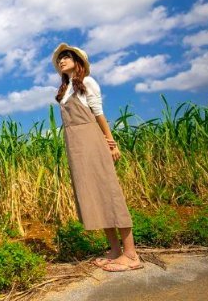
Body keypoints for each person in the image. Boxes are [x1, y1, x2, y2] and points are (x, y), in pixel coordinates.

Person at [52, 43, 142, 272]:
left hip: (92, 141)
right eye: (60, 58)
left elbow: (98, 113)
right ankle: (114, 250)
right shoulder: (66, 89)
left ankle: (131, 255)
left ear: (78, 61)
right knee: (94, 194)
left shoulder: (87, 83)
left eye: (67, 56)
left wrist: (111, 143)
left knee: (108, 192)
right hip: (76, 146)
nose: (62, 60)